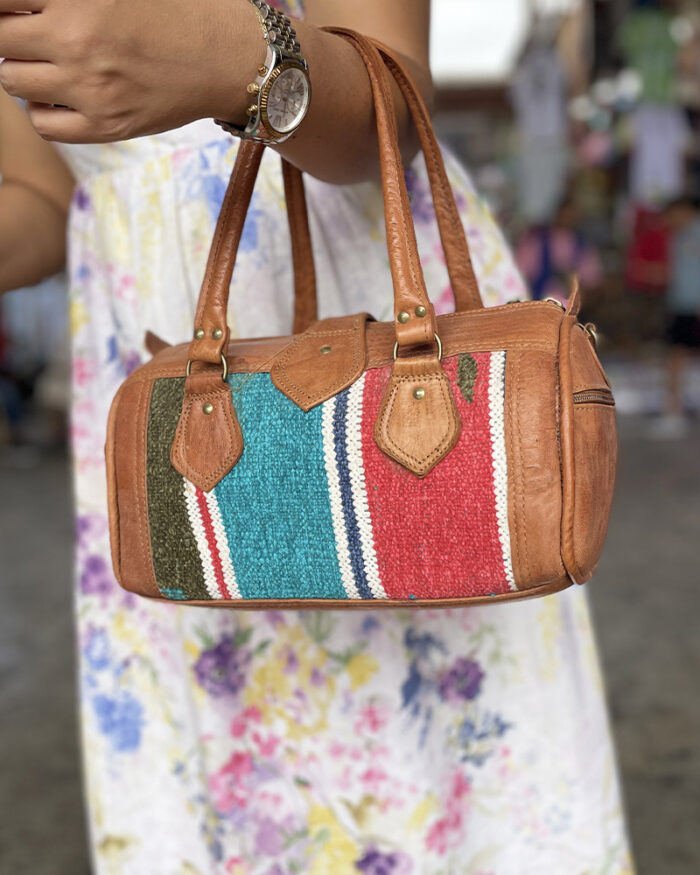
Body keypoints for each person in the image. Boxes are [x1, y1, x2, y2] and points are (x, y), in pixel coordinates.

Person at [0, 2, 633, 872]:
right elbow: (42, 193)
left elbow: (393, 89)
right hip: (175, 374)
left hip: (386, 322)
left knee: (438, 788)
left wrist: (235, 59)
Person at [649, 197, 700, 438]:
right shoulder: (678, 236)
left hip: (692, 306)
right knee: (675, 357)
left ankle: (674, 410)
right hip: (681, 305)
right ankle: (674, 410)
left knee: (676, 357)